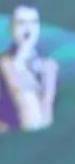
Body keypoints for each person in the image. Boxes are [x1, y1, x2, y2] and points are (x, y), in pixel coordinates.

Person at [0, 4, 57, 132]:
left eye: (33, 22)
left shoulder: (49, 65)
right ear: (11, 28)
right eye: (21, 23)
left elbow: (48, 111)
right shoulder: (4, 63)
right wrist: (19, 61)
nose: (28, 29)